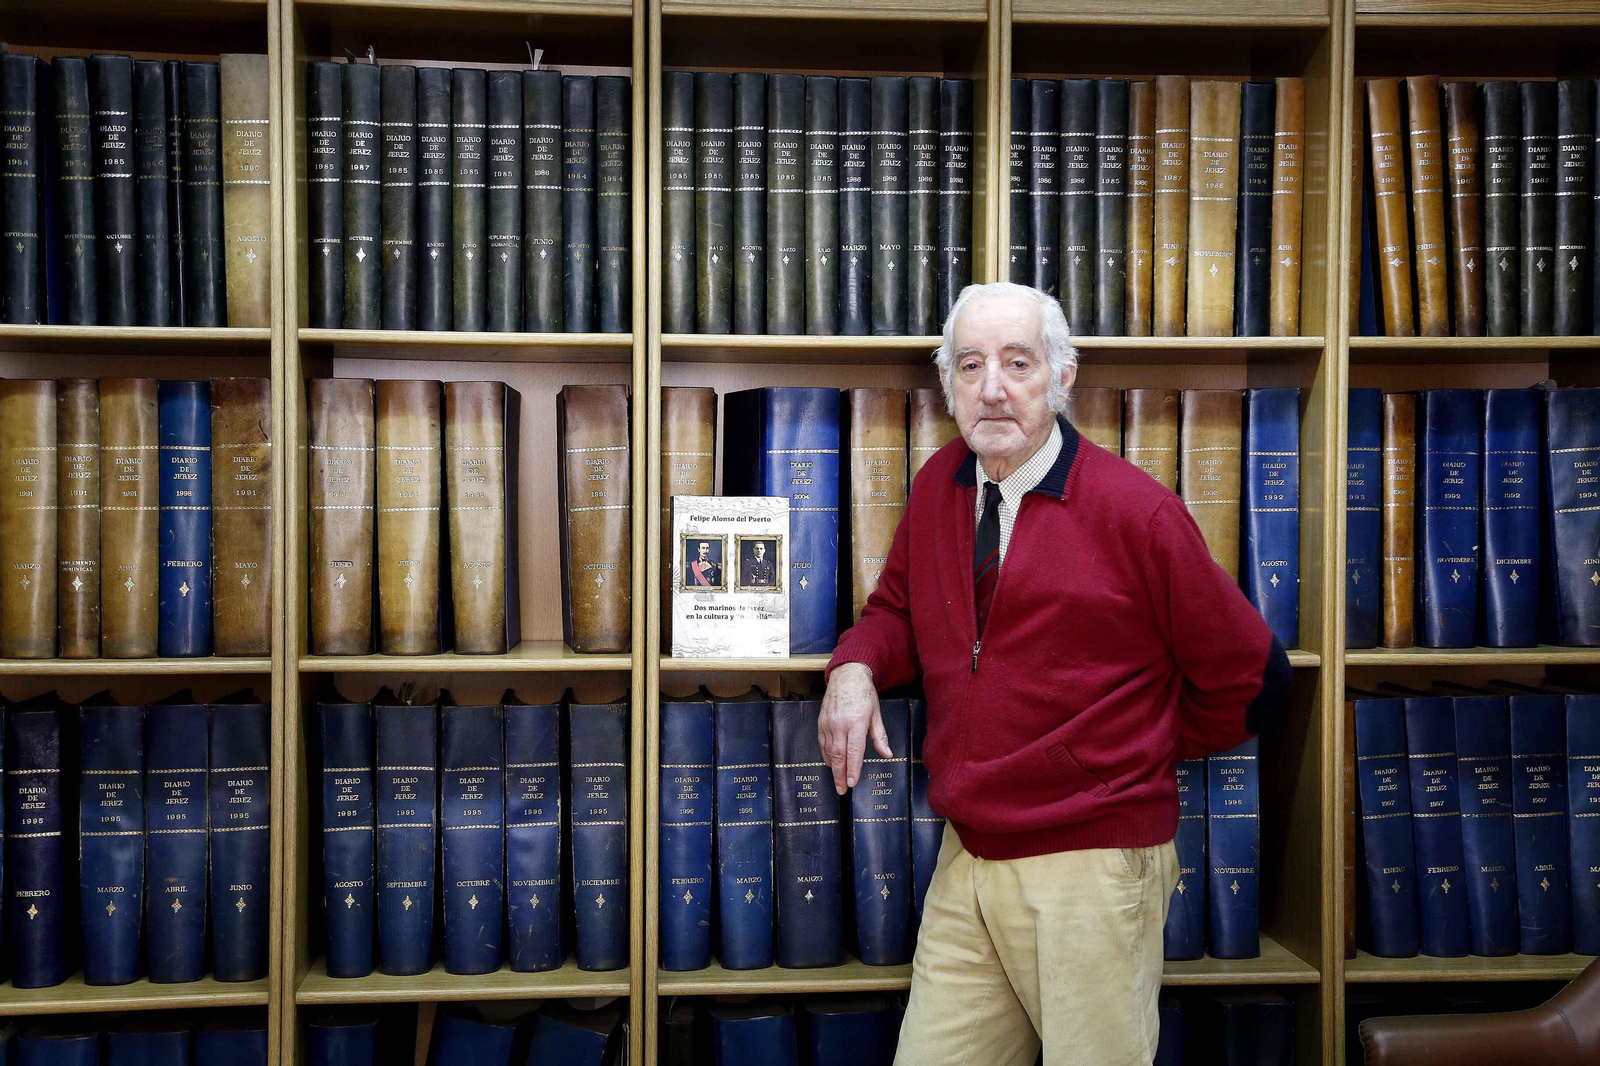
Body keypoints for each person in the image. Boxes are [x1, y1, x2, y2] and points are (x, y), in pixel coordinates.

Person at [818, 282, 1290, 1066]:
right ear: (948, 383)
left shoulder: (1136, 512)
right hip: (968, 855)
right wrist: (855, 666)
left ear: (1062, 377)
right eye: (970, 365)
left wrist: (1124, 749)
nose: (991, 389)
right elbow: (898, 610)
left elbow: (1255, 676)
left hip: (1089, 868)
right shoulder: (939, 485)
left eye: (1018, 363)